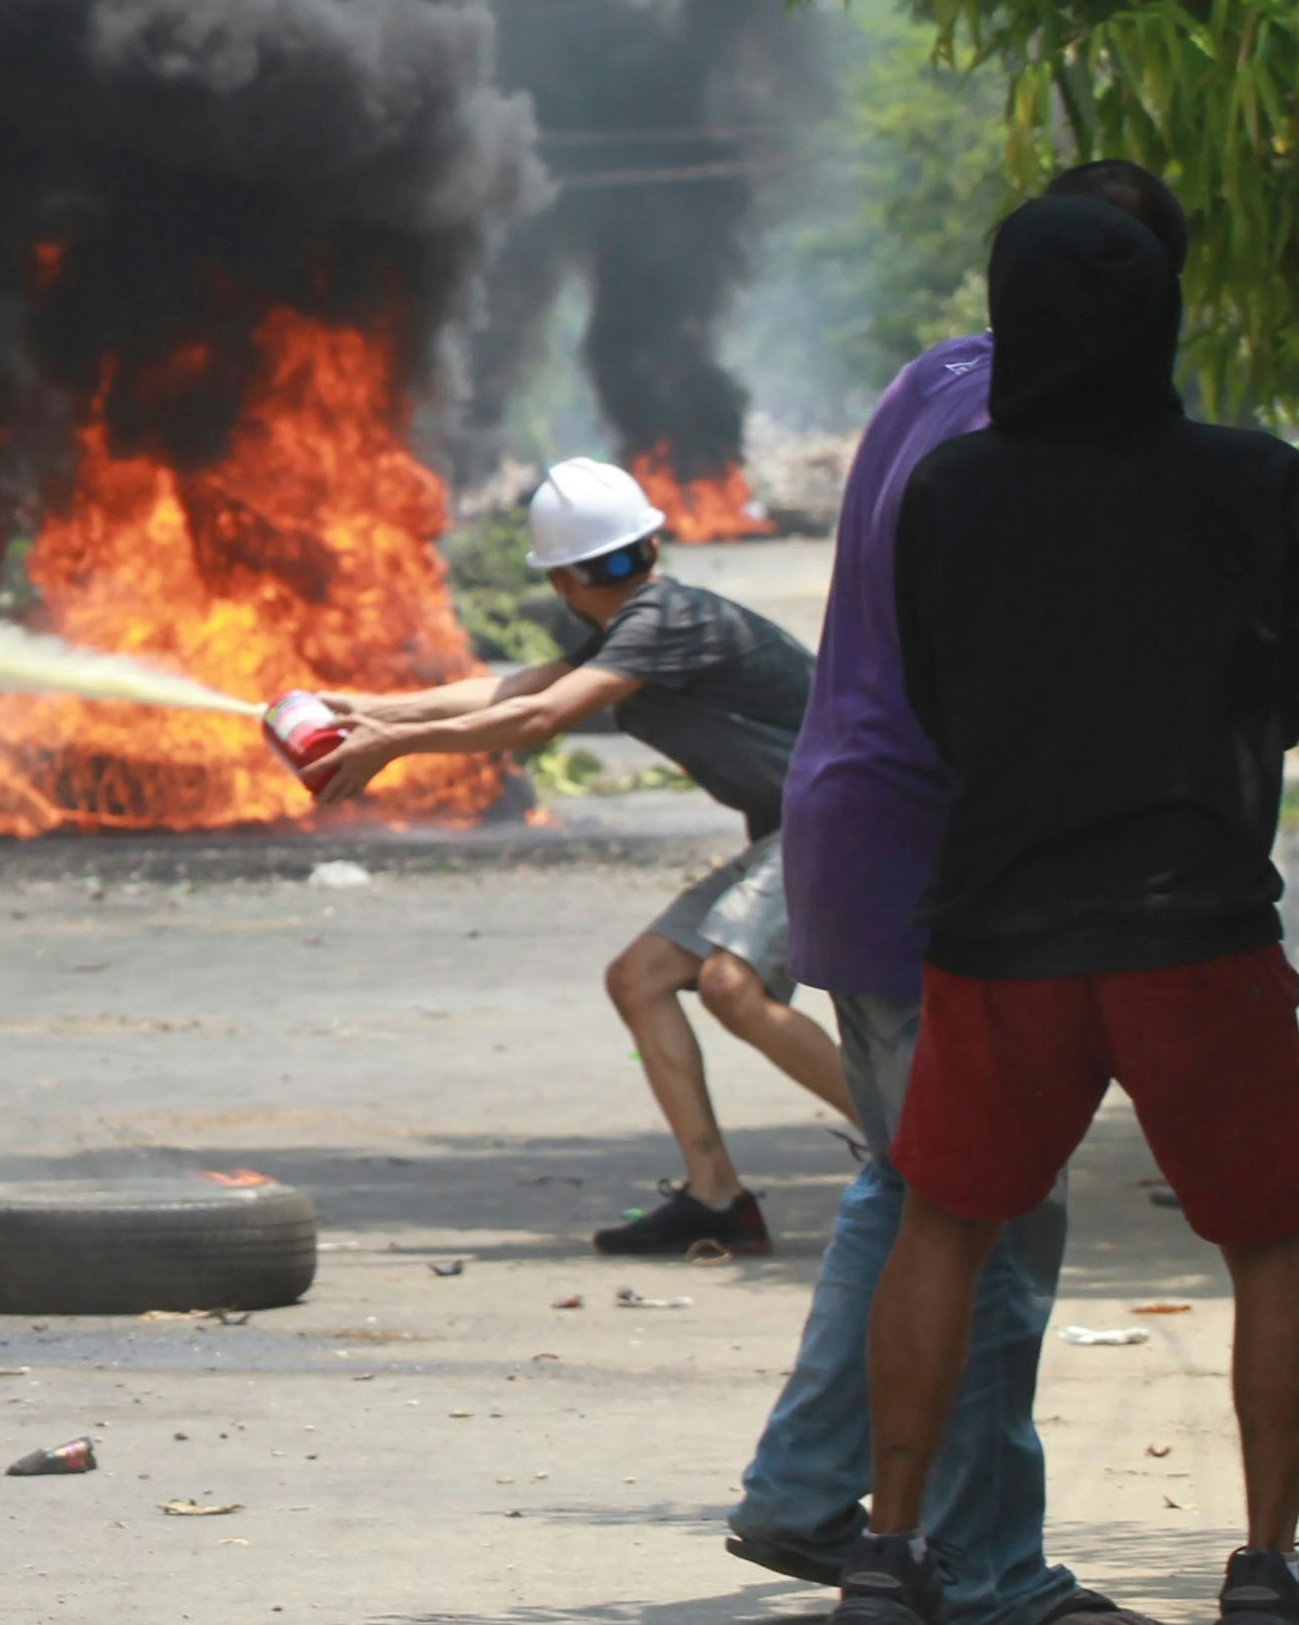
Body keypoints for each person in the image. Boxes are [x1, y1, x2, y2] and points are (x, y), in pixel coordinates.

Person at [730, 162, 1191, 1624]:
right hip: (945, 849)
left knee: (913, 1183)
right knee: (992, 1211)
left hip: (850, 822)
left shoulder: (934, 376)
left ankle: (807, 1490)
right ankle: (988, 1565)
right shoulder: (1029, 425)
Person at [832, 188, 1299, 1625]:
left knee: (943, 1224)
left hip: (1002, 923)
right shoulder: (1254, 480)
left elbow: (938, 690)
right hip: (1195, 920)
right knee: (1274, 1241)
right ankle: (1265, 1561)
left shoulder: (953, 489)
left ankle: (889, 1548)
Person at [311, 455, 853, 1253]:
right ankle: (717, 1200)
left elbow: (541, 717)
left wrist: (395, 744)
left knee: (730, 987)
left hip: (833, 819)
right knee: (641, 979)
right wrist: (377, 711)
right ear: (650, 547)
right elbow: (516, 690)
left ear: (561, 580)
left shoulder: (663, 622)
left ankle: (918, 1156)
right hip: (798, 825)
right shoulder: (641, 624)